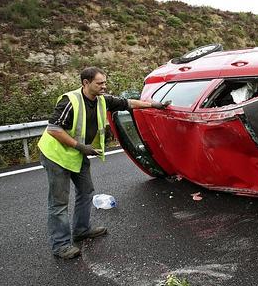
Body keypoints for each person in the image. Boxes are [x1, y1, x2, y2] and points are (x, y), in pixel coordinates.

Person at [38, 66, 170, 259]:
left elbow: (128, 103)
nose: (104, 86)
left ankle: (81, 230)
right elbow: (54, 129)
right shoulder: (70, 101)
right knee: (59, 203)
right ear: (86, 83)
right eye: (100, 83)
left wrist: (155, 105)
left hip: (76, 154)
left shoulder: (102, 100)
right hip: (56, 155)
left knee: (86, 191)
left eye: (105, 82)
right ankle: (60, 245)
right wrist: (80, 146)